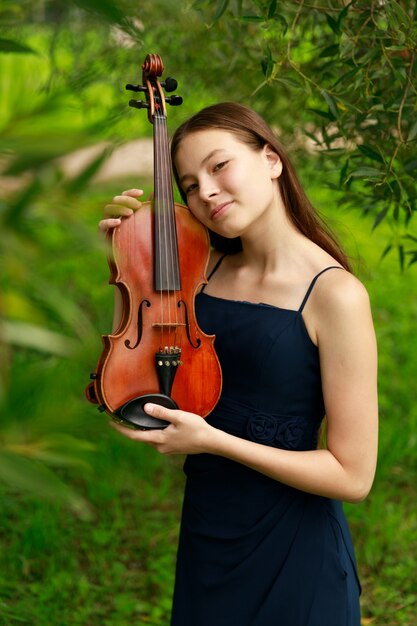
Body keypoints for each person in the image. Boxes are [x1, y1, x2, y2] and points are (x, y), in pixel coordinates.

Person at [99, 102, 378, 626]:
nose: (204, 191)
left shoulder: (335, 295)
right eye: (188, 184)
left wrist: (211, 441)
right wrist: (124, 260)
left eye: (219, 166)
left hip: (296, 554)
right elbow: (134, 375)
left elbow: (353, 475)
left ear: (271, 160)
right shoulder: (201, 269)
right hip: (209, 533)